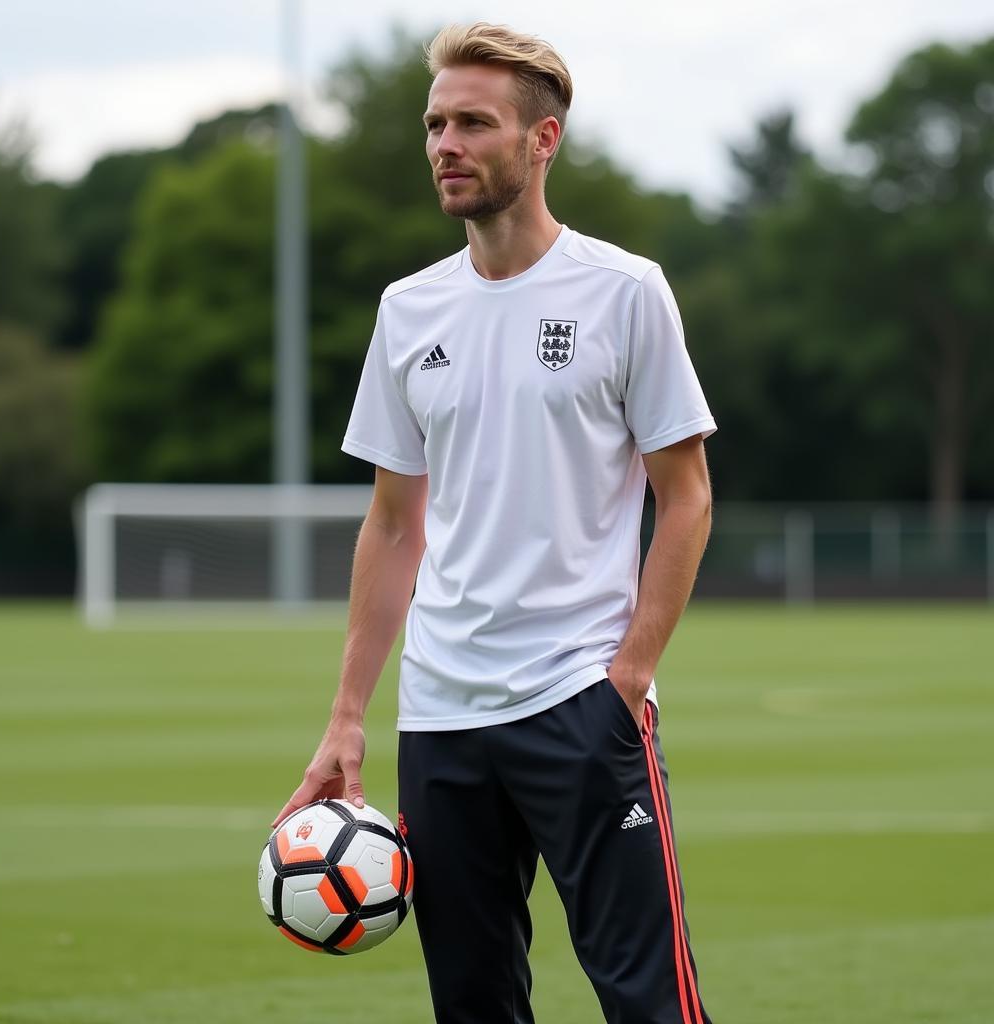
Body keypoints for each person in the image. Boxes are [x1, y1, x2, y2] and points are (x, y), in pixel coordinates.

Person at [273, 22, 716, 1024]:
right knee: (473, 1005)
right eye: (435, 124)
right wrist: (347, 715)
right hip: (440, 718)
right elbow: (392, 527)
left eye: (473, 122)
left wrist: (629, 676)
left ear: (541, 139)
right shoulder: (407, 310)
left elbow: (684, 493)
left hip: (579, 699)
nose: (445, 144)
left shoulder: (623, 291)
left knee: (648, 1001)